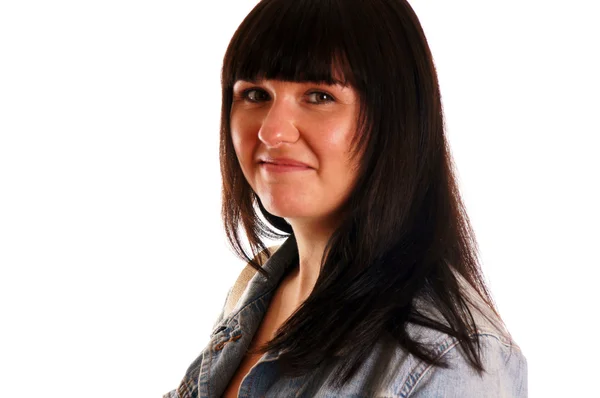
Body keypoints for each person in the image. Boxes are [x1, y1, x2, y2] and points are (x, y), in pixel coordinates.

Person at [164, 0, 528, 396]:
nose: (272, 132)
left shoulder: (450, 359)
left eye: (319, 96)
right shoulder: (260, 283)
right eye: (254, 94)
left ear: (394, 121)